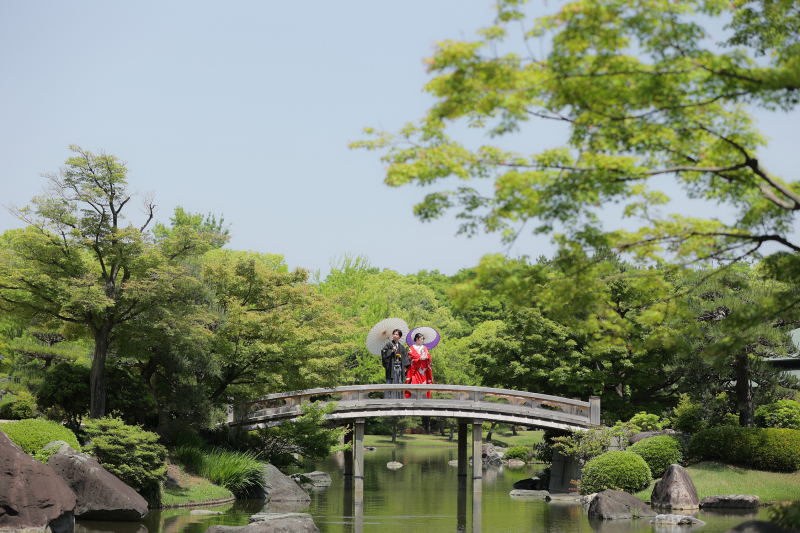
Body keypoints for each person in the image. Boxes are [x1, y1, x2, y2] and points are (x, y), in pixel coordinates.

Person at [381, 329, 409, 400]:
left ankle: (399, 398)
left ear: (399, 336)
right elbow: (383, 354)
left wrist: (405, 367)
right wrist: (391, 351)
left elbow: (405, 357)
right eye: (394, 334)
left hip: (399, 368)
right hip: (391, 368)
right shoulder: (389, 345)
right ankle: (390, 399)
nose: (395, 335)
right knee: (391, 382)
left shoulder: (401, 347)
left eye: (397, 334)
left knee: (399, 381)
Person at [405, 332, 433, 399]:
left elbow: (427, 355)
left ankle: (423, 398)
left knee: (424, 384)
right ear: (417, 339)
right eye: (421, 339)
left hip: (423, 369)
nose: (422, 340)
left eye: (423, 339)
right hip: (415, 369)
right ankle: (413, 398)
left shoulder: (424, 347)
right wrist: (419, 357)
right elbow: (411, 356)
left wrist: (427, 357)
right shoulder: (411, 348)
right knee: (414, 383)